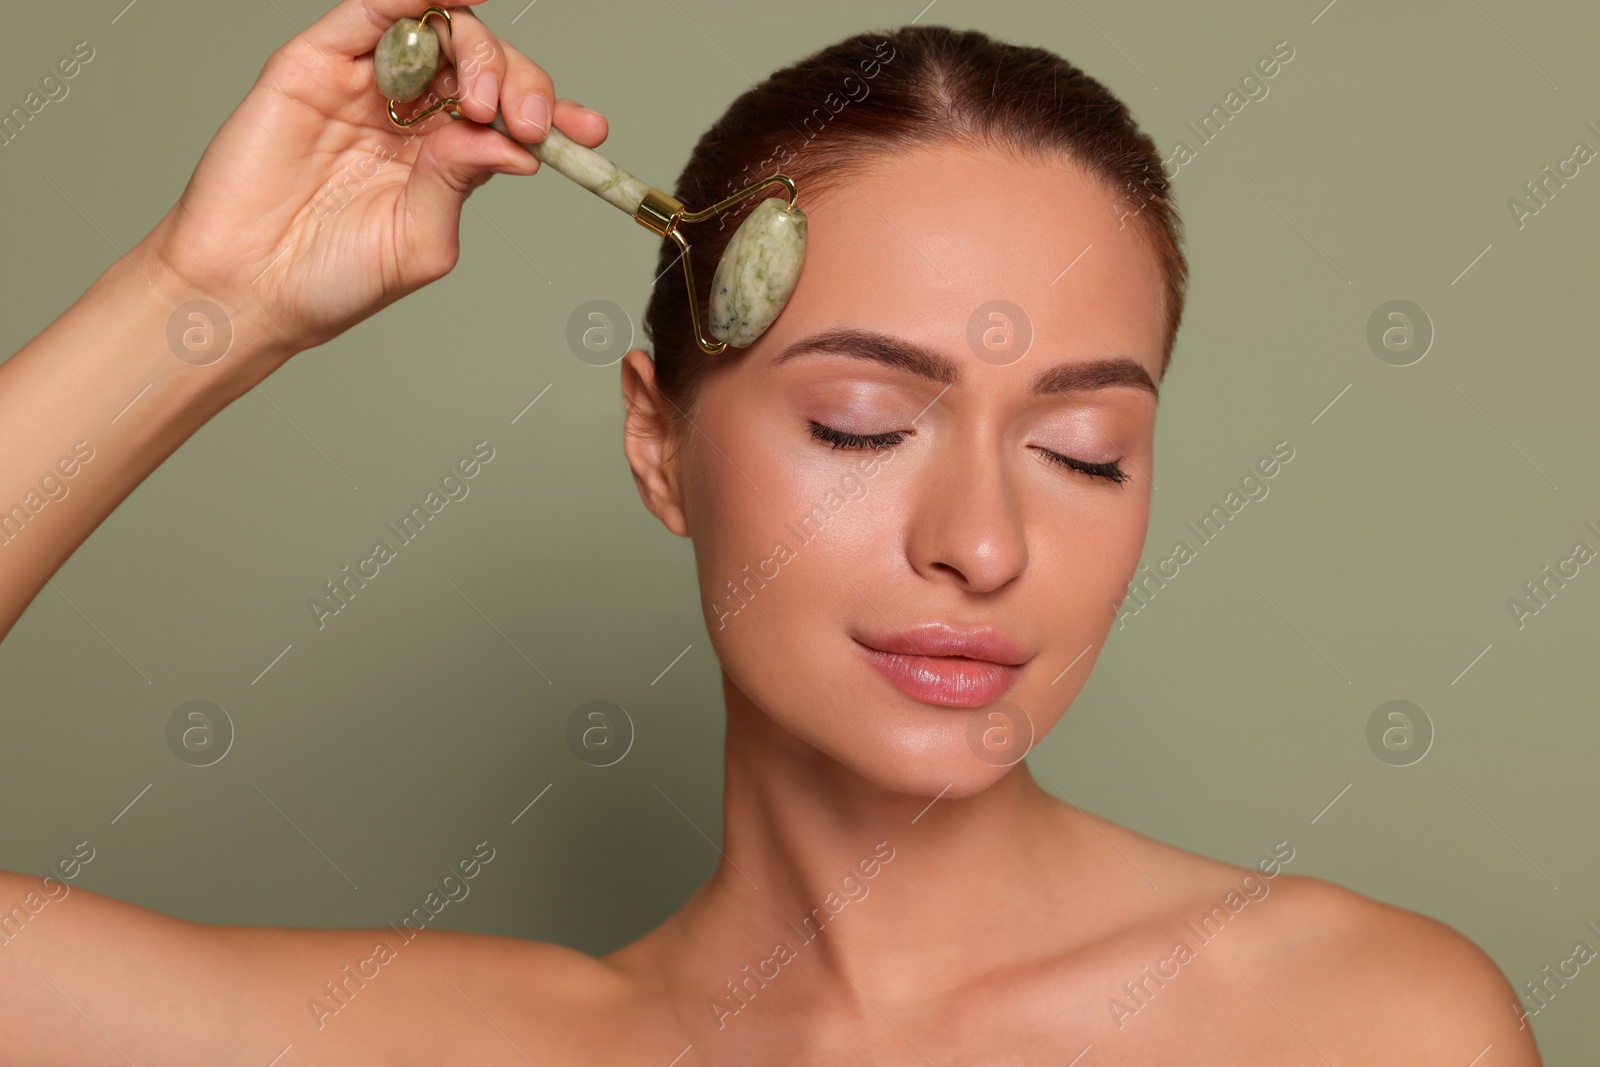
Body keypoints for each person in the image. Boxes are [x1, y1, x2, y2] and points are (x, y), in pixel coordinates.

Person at [0, 1, 1542, 1062]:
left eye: (1085, 452)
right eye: (865, 424)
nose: (982, 545)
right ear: (659, 444)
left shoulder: (1368, 1025)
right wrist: (207, 301)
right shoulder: (444, 1044)